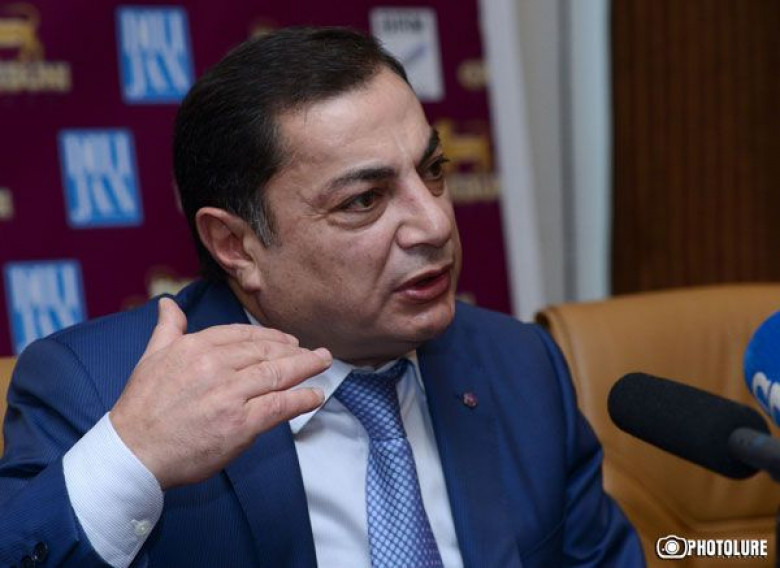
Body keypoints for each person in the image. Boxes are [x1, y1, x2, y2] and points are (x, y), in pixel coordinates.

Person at [0, 27, 645, 568]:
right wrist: (132, 456)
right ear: (236, 244)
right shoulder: (97, 388)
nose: (434, 224)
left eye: (433, 171)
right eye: (364, 200)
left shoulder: (520, 364)